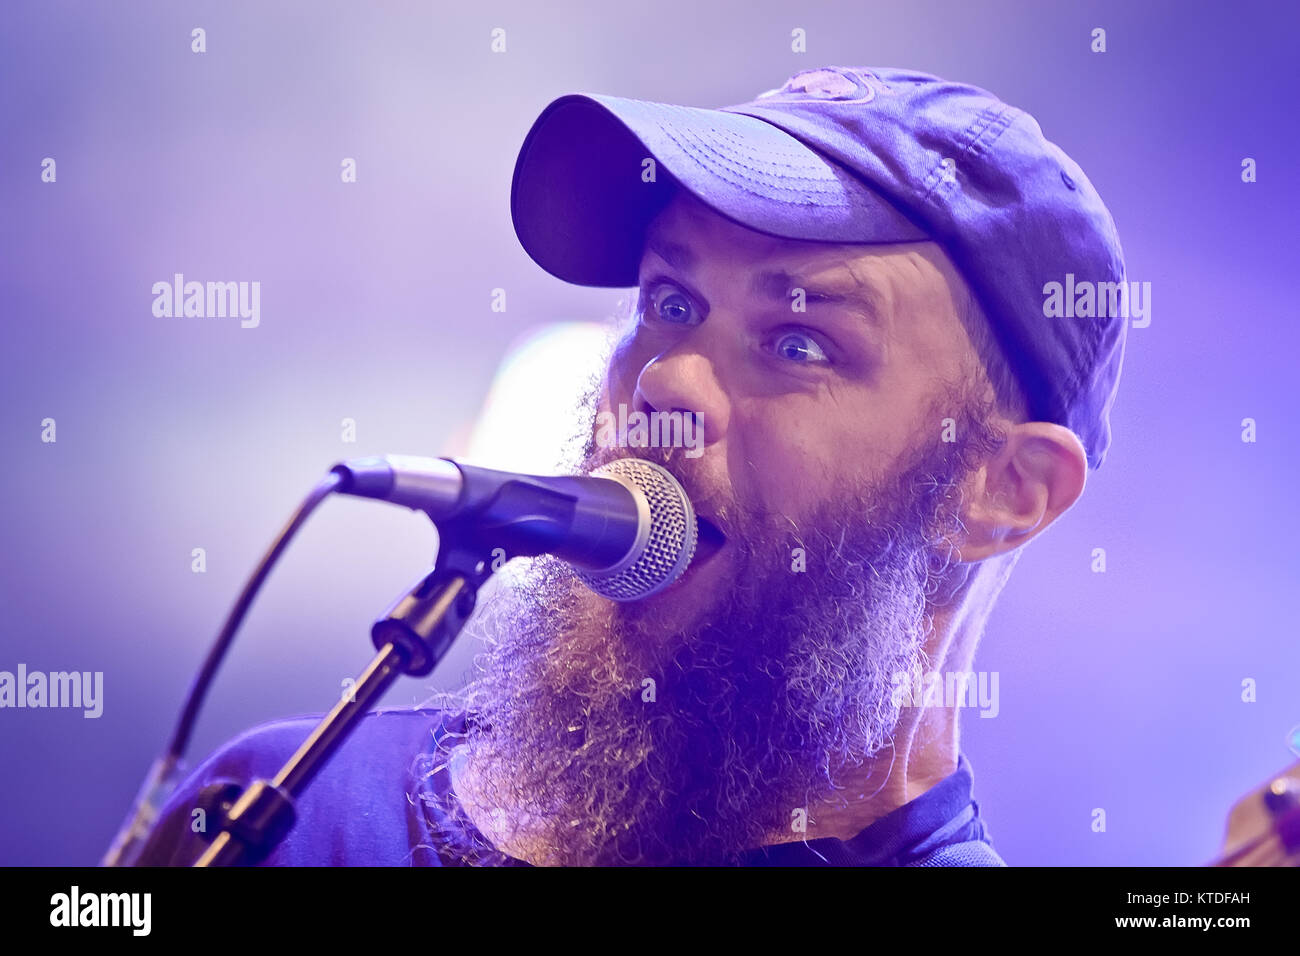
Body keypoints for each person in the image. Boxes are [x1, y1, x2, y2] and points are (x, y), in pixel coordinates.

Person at [133, 65, 1127, 867]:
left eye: (797, 340)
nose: (663, 382)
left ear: (1000, 491)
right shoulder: (296, 811)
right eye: (671, 302)